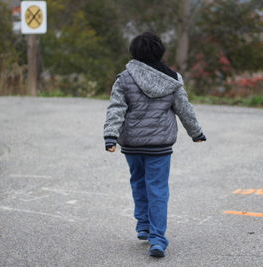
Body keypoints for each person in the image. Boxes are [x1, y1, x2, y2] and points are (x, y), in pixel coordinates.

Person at [103, 32, 206, 258]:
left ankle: (143, 225)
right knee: (158, 190)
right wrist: (196, 132)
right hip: (160, 146)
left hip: (132, 145)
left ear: (134, 52)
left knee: (138, 183)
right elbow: (184, 109)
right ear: (160, 52)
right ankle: (157, 239)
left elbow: (116, 108)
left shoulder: (124, 78)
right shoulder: (172, 78)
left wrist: (110, 136)